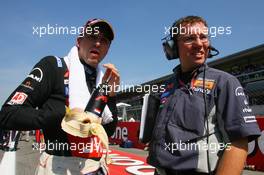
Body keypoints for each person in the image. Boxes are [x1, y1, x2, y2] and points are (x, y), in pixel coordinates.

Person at [0, 18, 120, 175]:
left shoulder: (103, 81)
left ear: (107, 49)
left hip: (95, 166)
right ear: (79, 41)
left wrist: (111, 95)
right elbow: (8, 114)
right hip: (59, 167)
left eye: (103, 40)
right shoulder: (53, 66)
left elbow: (109, 131)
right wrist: (63, 116)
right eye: (92, 37)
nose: (97, 43)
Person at [147, 16, 261, 175]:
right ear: (173, 47)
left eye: (203, 37)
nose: (199, 44)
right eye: (189, 38)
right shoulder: (167, 86)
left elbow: (238, 143)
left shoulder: (226, 82)